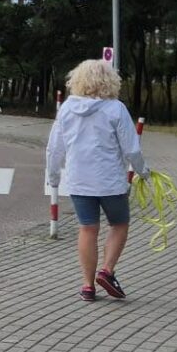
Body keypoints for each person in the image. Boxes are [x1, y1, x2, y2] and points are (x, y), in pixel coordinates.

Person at [43, 58, 148, 302]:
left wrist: (54, 177)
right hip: (110, 182)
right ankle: (107, 271)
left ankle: (88, 286)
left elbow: (54, 148)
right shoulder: (116, 109)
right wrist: (143, 171)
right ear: (110, 81)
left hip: (79, 181)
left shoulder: (67, 108)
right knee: (119, 224)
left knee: (87, 229)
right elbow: (131, 149)